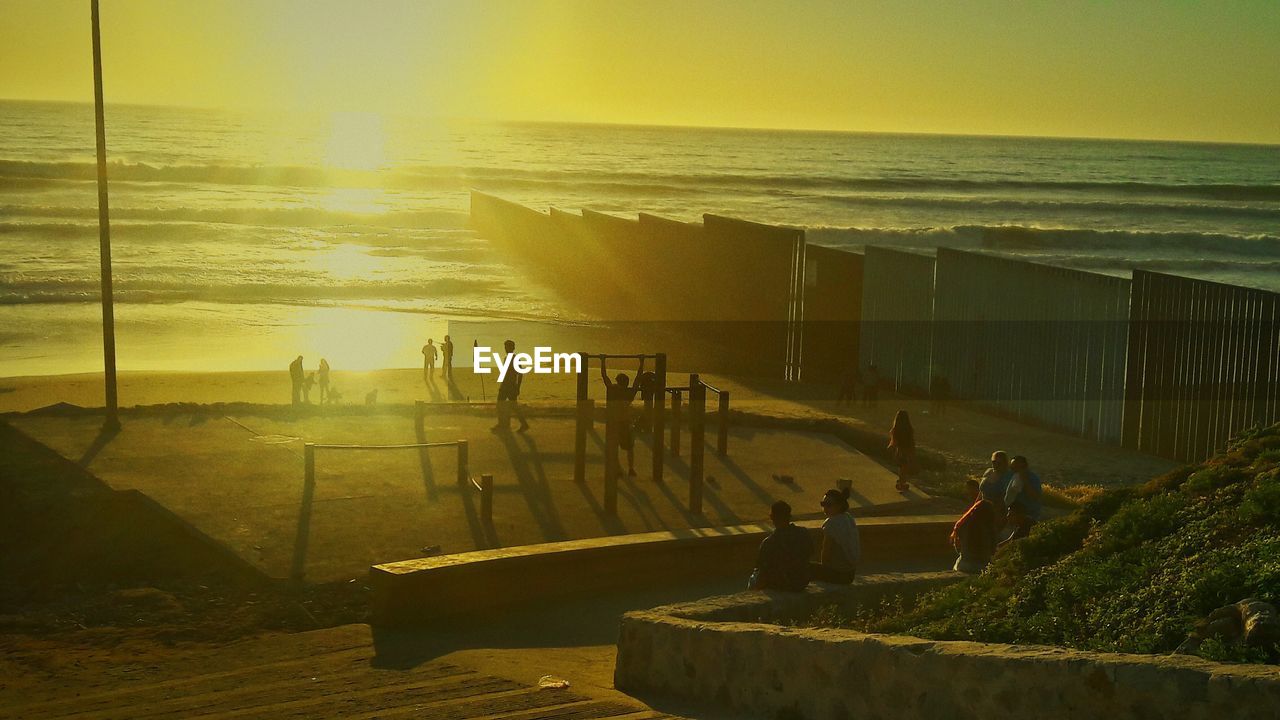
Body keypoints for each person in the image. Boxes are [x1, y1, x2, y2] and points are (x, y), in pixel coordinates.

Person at [749, 500, 813, 591]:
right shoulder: (803, 533)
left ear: (772, 518)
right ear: (789, 516)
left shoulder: (769, 542)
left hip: (781, 585)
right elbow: (809, 554)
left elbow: (762, 570)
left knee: (754, 577)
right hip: (801, 582)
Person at [601, 356, 643, 476]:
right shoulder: (629, 392)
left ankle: (619, 469)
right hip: (624, 423)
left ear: (618, 382)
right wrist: (642, 363)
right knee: (629, 447)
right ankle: (630, 468)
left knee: (614, 447)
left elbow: (604, 376)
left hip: (614, 422)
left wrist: (603, 361)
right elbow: (638, 379)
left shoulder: (612, 390)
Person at [809, 488, 859, 584]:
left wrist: (822, 570)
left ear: (839, 506)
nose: (825, 508)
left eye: (829, 505)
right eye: (823, 504)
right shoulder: (848, 518)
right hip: (850, 574)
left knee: (803, 567)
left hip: (838, 575)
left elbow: (826, 551)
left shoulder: (831, 523)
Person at [951, 479, 998, 573]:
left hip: (965, 565)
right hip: (983, 566)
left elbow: (957, 547)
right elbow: (993, 550)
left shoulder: (963, 525)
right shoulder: (990, 528)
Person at [999, 455, 1043, 547]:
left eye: (1014, 467)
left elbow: (1035, 496)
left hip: (1028, 515)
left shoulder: (1032, 478)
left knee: (1019, 541)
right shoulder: (1014, 476)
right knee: (1010, 538)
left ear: (1022, 465)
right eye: (1012, 467)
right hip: (1014, 514)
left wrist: (1025, 480)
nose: (1012, 469)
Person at [491, 339, 529, 433]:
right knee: (502, 405)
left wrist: (518, 387)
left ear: (512, 348)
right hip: (505, 386)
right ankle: (504, 424)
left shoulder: (515, 359)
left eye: (507, 347)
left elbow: (520, 373)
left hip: (511, 386)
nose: (506, 349)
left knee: (509, 406)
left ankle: (518, 424)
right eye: (505, 347)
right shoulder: (506, 358)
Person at [887, 409, 917, 492]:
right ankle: (902, 483)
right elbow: (912, 442)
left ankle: (901, 482)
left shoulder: (895, 429)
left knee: (902, 468)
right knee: (905, 468)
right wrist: (912, 452)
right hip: (907, 451)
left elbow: (894, 442)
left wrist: (889, 448)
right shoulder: (909, 429)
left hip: (900, 452)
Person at [979, 451, 1012, 519]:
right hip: (983, 508)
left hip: (999, 512)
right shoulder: (989, 472)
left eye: (999, 463)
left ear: (1005, 463)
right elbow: (981, 492)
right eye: (993, 462)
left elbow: (1007, 497)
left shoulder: (1008, 476)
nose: (995, 465)